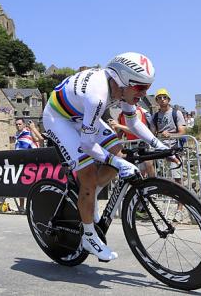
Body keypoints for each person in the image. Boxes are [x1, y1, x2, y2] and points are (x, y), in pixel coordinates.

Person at [43, 52, 169, 262]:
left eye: (147, 87)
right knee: (89, 174)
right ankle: (89, 236)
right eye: (140, 87)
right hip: (58, 119)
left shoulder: (123, 88)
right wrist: (117, 164)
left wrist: (159, 145)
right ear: (123, 80)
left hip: (79, 115)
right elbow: (87, 144)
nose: (144, 93)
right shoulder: (98, 95)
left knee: (118, 151)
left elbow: (133, 123)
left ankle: (89, 198)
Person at [151, 88, 186, 221]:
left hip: (173, 149)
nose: (162, 100)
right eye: (159, 97)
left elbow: (182, 131)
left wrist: (170, 134)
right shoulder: (155, 116)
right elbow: (152, 132)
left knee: (177, 180)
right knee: (160, 179)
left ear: (168, 99)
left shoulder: (176, 113)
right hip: (160, 150)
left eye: (164, 97)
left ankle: (179, 210)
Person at [109, 105, 156, 178]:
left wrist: (118, 125)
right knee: (138, 169)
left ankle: (154, 184)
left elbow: (136, 130)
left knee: (148, 165)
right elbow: (119, 135)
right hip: (131, 144)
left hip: (142, 142)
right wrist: (114, 127)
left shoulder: (137, 111)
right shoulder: (121, 115)